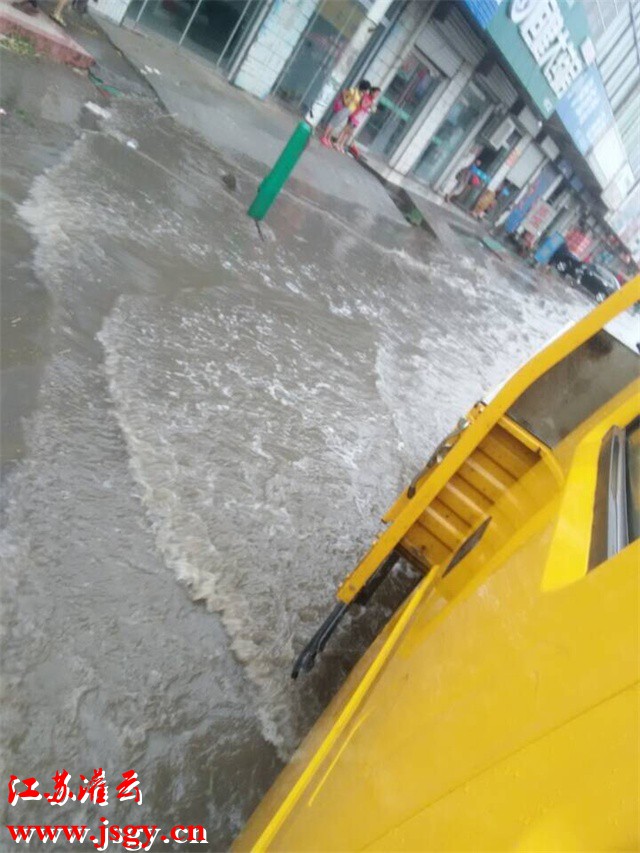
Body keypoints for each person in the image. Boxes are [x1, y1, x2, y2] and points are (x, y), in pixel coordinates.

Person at [319, 80, 371, 149]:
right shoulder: (353, 91)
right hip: (345, 109)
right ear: (364, 88)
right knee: (333, 122)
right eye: (366, 89)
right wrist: (345, 102)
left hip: (349, 111)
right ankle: (324, 136)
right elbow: (343, 92)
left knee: (336, 123)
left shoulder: (360, 94)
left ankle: (328, 137)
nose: (366, 91)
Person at [334, 86, 381, 153]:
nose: (376, 95)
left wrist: (371, 108)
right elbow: (362, 105)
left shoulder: (372, 100)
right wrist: (369, 104)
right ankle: (337, 142)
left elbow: (369, 109)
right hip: (355, 115)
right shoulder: (366, 96)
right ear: (372, 92)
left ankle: (341, 144)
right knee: (346, 129)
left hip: (360, 118)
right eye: (376, 93)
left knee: (349, 132)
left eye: (378, 94)